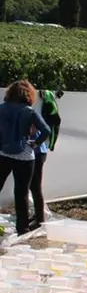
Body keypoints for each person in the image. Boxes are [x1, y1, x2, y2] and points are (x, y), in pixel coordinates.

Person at [0, 81, 51, 235]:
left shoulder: (1, 109)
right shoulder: (28, 111)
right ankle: (22, 229)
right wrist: (35, 143)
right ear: (28, 95)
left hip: (4, 154)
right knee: (21, 193)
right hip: (24, 156)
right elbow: (46, 130)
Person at [29, 128, 48, 230]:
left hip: (37, 153)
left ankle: (40, 219)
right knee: (33, 187)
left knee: (35, 187)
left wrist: (36, 143)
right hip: (37, 152)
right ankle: (38, 215)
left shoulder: (29, 114)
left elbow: (43, 129)